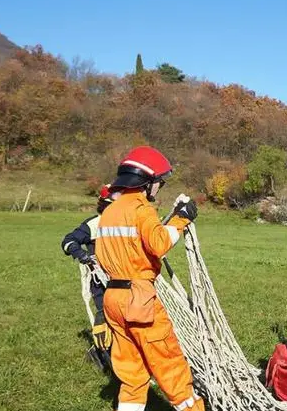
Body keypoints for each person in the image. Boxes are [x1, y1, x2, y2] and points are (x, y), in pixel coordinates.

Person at [96, 146, 205, 411]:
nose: (159, 188)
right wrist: (181, 219)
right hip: (139, 300)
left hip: (113, 298)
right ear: (147, 182)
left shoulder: (109, 211)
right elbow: (159, 243)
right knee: (168, 363)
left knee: (130, 369)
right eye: (159, 182)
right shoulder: (141, 208)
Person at [60, 183, 116, 361]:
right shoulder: (94, 224)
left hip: (124, 280)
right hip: (101, 283)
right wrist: (82, 255)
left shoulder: (127, 222)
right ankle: (101, 355)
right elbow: (68, 241)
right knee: (108, 322)